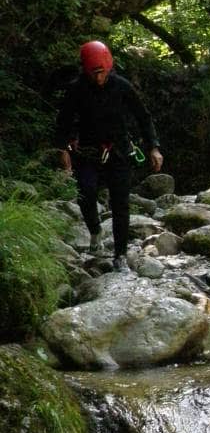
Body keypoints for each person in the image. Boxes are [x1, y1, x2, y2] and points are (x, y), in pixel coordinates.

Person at [54, 40, 163, 271]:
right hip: (88, 152)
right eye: (94, 73)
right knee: (85, 192)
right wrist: (62, 149)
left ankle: (120, 255)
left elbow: (144, 117)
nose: (98, 78)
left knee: (120, 202)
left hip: (119, 152)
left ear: (108, 67)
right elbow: (63, 121)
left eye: (102, 73)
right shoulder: (77, 89)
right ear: (85, 70)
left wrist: (153, 147)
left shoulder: (121, 86)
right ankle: (95, 230)